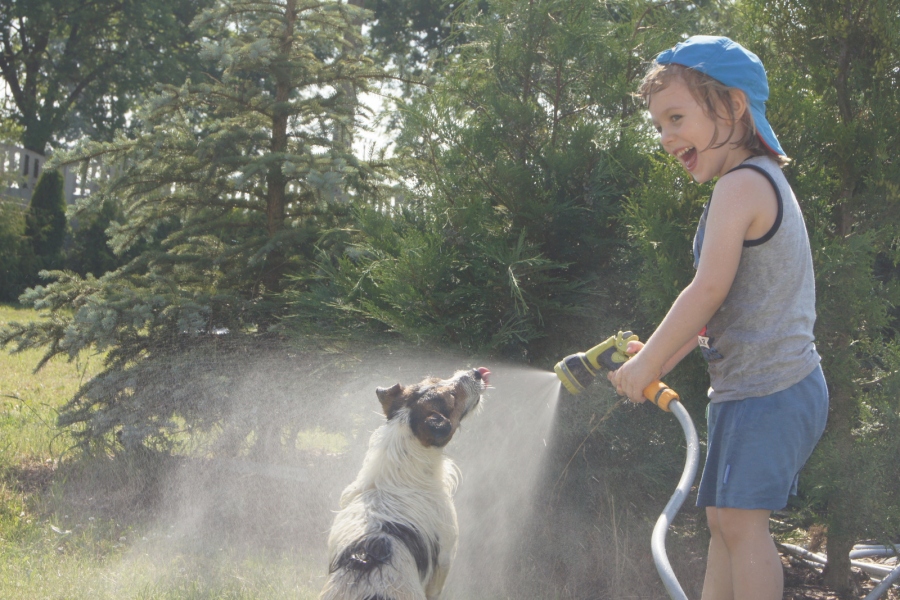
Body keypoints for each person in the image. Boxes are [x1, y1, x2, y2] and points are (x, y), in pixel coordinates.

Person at [608, 36, 829, 600]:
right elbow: (717, 312)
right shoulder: (746, 183)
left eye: (677, 117)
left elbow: (704, 291)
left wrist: (653, 359)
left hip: (772, 388)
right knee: (721, 523)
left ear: (732, 106)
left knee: (740, 523)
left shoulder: (742, 183)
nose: (666, 137)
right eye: (659, 126)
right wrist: (659, 356)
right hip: (749, 389)